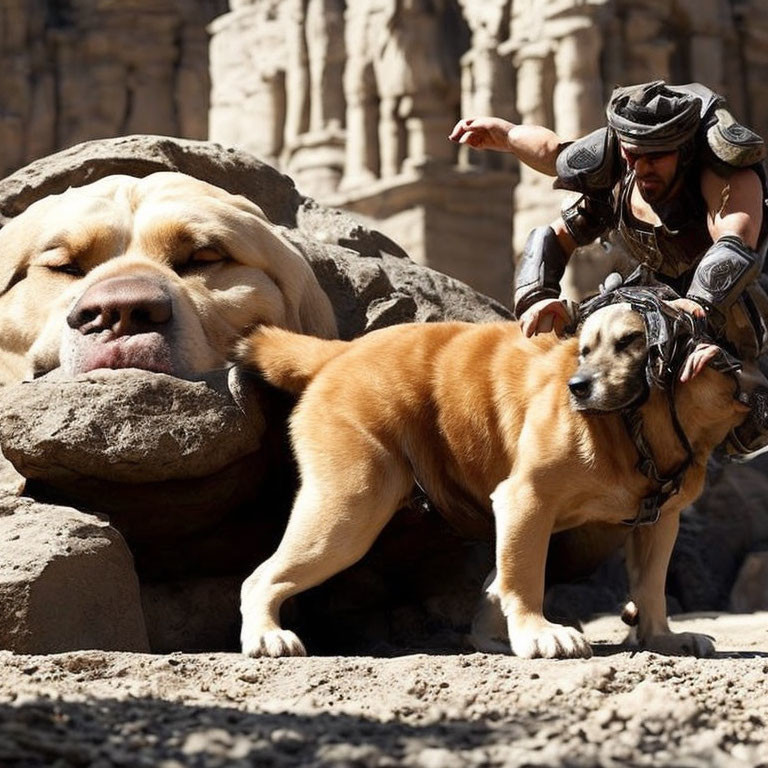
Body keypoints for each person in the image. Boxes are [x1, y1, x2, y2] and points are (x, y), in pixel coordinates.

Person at [449, 80, 768, 364]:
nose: (641, 168)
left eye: (654, 157)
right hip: (652, 297)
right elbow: (553, 165)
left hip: (737, 308)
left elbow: (734, 243)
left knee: (740, 386)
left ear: (683, 150)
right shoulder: (616, 175)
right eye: (633, 155)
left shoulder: (726, 177)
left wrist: (697, 305)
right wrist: (539, 299)